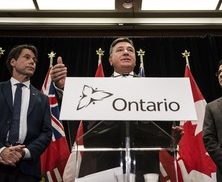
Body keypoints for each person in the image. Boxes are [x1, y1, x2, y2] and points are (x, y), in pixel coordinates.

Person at [50, 37, 184, 182]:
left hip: (144, 169)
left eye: (130, 50)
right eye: (120, 50)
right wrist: (64, 88)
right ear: (110, 60)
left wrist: (170, 143)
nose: (126, 52)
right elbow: (81, 124)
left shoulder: (155, 90)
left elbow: (161, 132)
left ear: (135, 59)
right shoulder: (94, 90)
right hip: (103, 167)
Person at [0, 44, 52, 182]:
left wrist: (24, 153)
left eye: (34, 60)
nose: (32, 61)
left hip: (26, 169)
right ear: (13, 62)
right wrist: (0, 150)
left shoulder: (42, 99)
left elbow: (46, 133)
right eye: (27, 57)